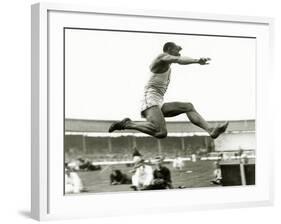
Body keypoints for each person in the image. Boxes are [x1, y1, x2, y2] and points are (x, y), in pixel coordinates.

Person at [109, 42, 228, 139]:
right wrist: (196, 61)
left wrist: (179, 49)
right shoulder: (161, 57)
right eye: (177, 51)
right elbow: (179, 60)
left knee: (188, 107)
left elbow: (178, 58)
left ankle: (211, 130)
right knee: (161, 133)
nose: (179, 54)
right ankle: (127, 124)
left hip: (158, 101)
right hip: (150, 100)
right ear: (169, 49)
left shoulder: (167, 64)